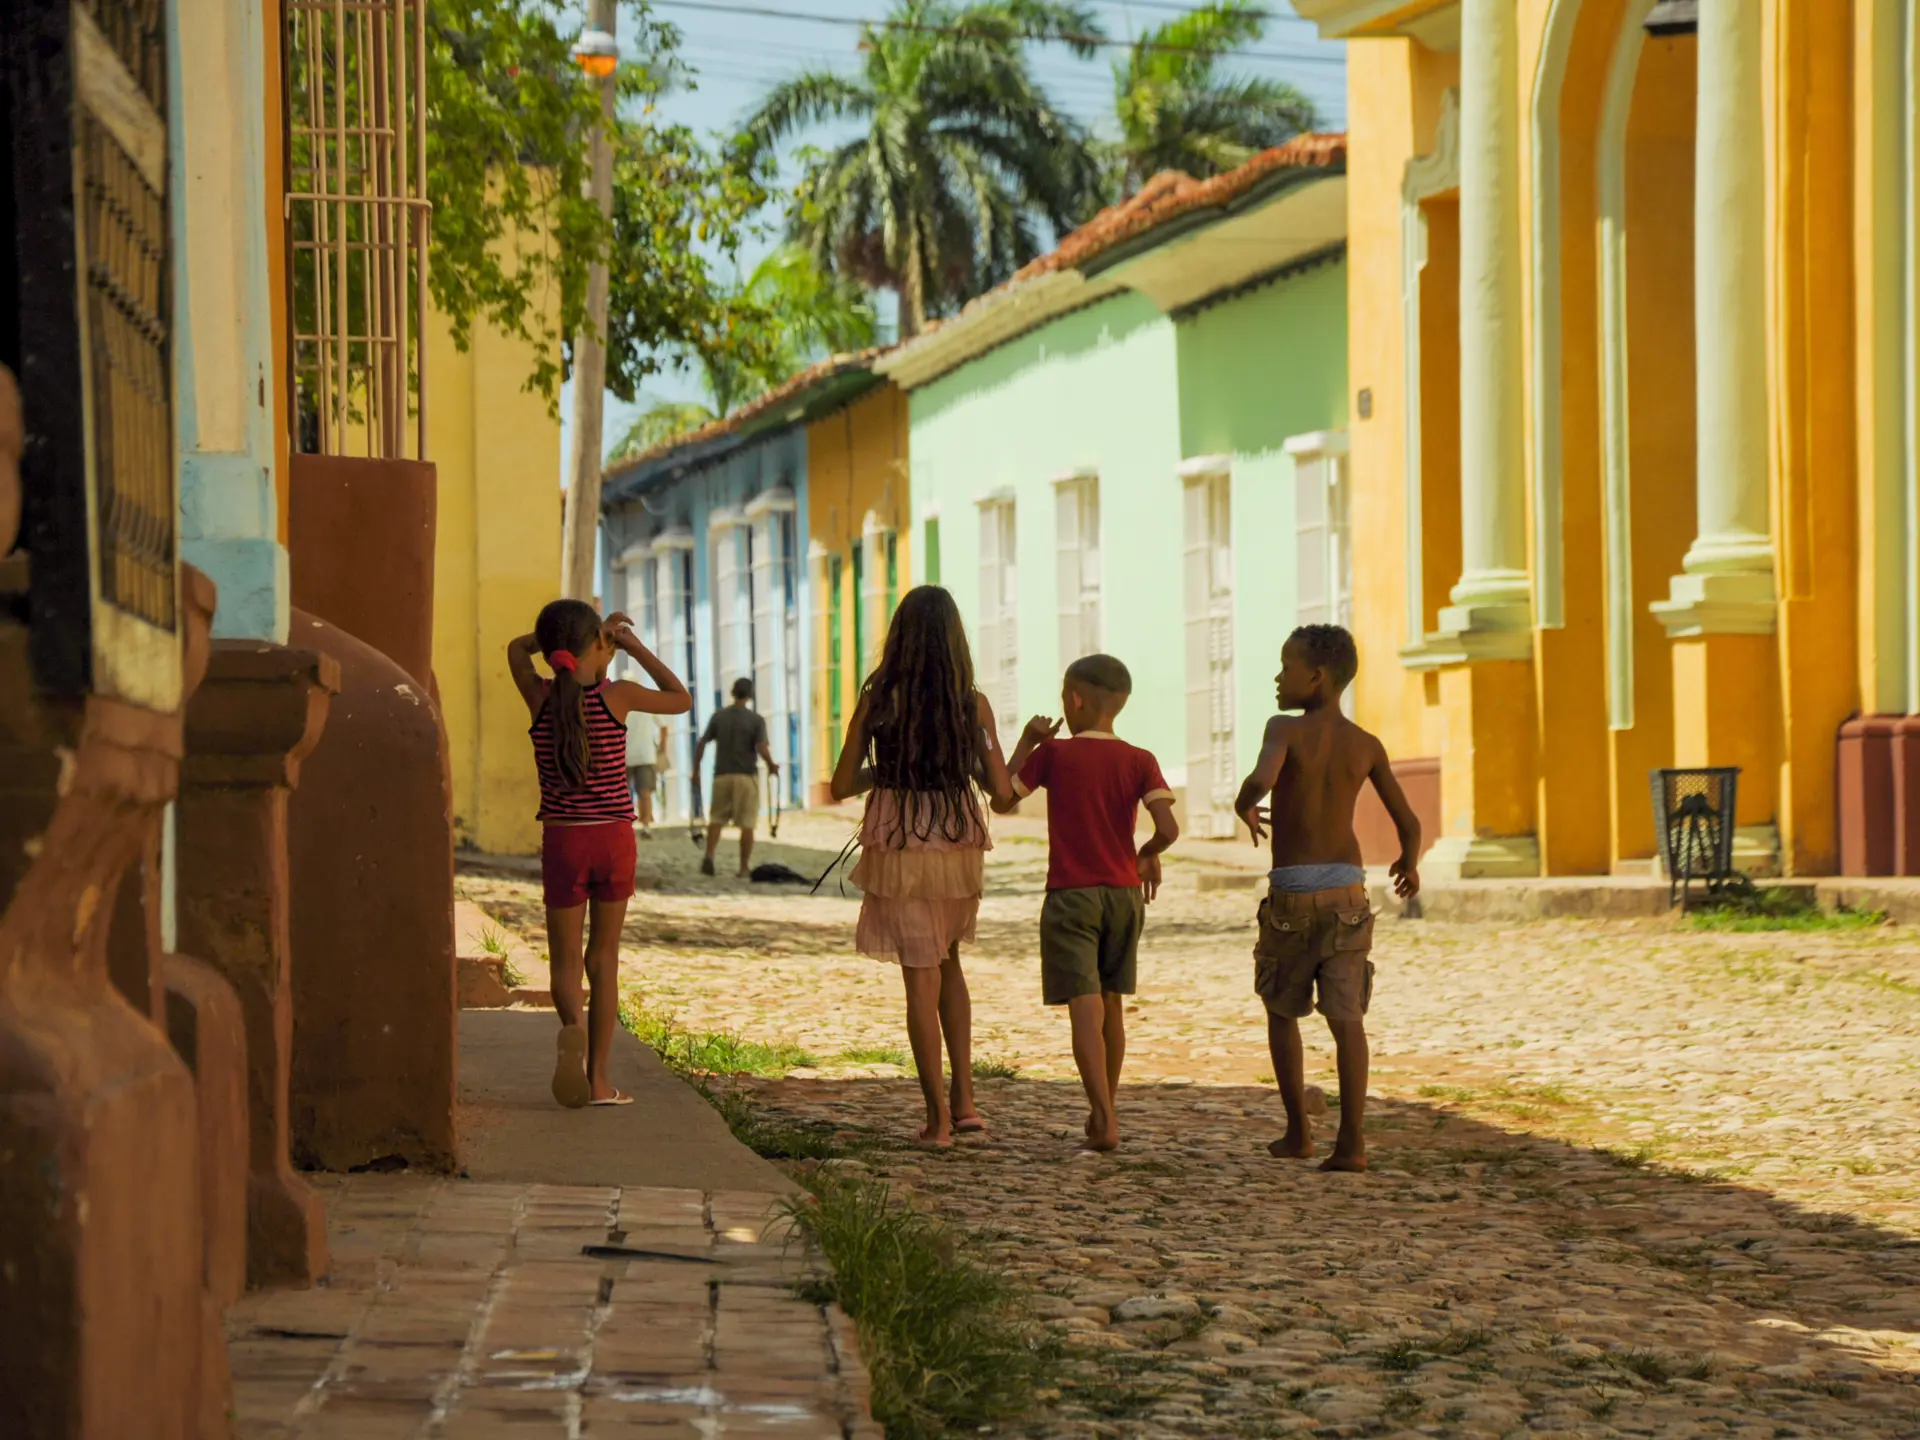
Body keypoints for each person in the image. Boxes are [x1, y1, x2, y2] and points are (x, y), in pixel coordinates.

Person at [830, 586, 1016, 1147]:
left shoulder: (878, 700)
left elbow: (841, 784)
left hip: (901, 836)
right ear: (955, 640)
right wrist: (1022, 747)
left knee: (920, 975)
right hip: (957, 837)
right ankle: (965, 1103)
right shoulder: (972, 704)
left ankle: (935, 1118)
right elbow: (1001, 791)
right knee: (950, 961)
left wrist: (882, 773)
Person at [1233, 624, 1421, 1173]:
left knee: (1280, 1009)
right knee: (1347, 1020)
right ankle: (1353, 1144)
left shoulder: (1283, 729)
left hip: (1293, 896)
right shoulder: (1366, 744)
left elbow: (1262, 778)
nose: (1277, 676)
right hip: (1348, 894)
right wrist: (1409, 864)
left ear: (1315, 678)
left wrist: (1244, 804)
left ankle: (1298, 1132)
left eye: (1285, 667)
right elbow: (1408, 822)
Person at [509, 600, 690, 1108]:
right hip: (612, 839)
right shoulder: (620, 696)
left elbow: (514, 650)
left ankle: (573, 1032)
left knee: (565, 959)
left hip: (564, 840)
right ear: (599, 645)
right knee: (602, 958)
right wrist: (630, 645)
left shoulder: (539, 696)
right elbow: (680, 699)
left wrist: (551, 643)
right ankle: (600, 1082)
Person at [995, 655, 1178, 1152]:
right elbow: (1168, 828)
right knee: (1112, 1004)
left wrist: (1027, 742)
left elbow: (1000, 799)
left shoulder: (1052, 754)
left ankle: (1101, 1112)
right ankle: (1108, 1107)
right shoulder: (1141, 759)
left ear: (1074, 699)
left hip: (1071, 896)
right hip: (1124, 896)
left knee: (1084, 1006)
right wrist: (1148, 854)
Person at [693, 677, 778, 877]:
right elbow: (761, 747)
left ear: (733, 693)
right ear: (750, 695)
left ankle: (710, 855)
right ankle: (743, 867)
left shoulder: (719, 716)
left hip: (721, 775)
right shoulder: (755, 720)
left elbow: (702, 742)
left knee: (716, 819)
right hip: (745, 777)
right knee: (747, 823)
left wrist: (695, 770)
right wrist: (771, 765)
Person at [625, 708, 667, 839]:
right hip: (642, 754)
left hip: (631, 754)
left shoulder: (621, 701)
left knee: (636, 792)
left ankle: (644, 825)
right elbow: (664, 726)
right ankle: (645, 826)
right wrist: (662, 747)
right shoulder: (648, 701)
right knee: (644, 792)